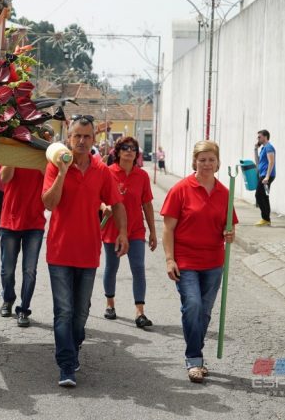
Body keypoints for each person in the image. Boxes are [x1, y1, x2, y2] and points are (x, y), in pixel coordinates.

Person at [42, 115, 128, 387]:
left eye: (86, 136)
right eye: (76, 136)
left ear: (94, 139)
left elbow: (117, 204)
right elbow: (49, 203)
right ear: (68, 138)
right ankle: (66, 365)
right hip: (59, 251)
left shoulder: (102, 171)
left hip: (89, 252)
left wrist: (123, 233)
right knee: (64, 311)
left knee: (80, 313)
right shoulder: (55, 166)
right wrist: (63, 173)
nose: (81, 141)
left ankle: (73, 345)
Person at [161, 140, 238, 384]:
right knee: (192, 306)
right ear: (195, 161)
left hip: (214, 262)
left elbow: (230, 228)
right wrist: (170, 259)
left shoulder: (226, 193)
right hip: (186, 260)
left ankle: (196, 350)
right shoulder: (181, 189)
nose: (206, 164)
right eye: (202, 159)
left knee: (203, 313)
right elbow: (167, 229)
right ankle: (194, 359)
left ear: (218, 163)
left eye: (211, 160)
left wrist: (230, 235)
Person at [100, 137, 158, 327]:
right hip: (112, 229)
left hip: (136, 230)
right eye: (125, 148)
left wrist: (153, 232)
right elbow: (98, 198)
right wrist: (104, 206)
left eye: (133, 148)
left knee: (138, 268)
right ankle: (110, 304)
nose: (129, 151)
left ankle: (140, 311)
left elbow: (147, 204)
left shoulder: (142, 176)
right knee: (111, 267)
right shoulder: (107, 173)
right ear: (118, 152)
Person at [0, 165, 46, 327]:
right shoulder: (14, 151)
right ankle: (8, 299)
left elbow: (49, 178)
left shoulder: (43, 154)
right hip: (10, 220)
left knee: (30, 270)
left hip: (34, 221)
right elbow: (4, 178)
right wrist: (14, 158)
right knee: (7, 269)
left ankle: (24, 308)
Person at [254, 129, 276, 226]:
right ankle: (267, 220)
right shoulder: (263, 148)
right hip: (263, 175)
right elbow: (257, 162)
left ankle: (265, 218)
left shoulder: (269, 147)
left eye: (259, 137)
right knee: (265, 197)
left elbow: (271, 162)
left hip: (266, 176)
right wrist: (255, 149)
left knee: (258, 195)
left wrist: (266, 177)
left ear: (265, 137)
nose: (258, 138)